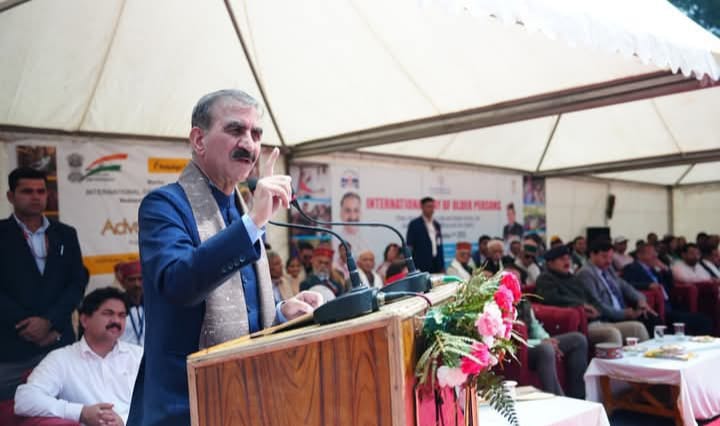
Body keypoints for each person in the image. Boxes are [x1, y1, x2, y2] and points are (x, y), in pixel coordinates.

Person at [128, 90, 322, 426]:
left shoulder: (243, 210)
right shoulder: (164, 206)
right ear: (198, 140)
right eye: (235, 130)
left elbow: (243, 305)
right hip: (184, 404)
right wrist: (254, 223)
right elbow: (179, 284)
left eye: (256, 134)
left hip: (249, 398)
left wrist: (279, 311)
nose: (249, 143)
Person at [1, 167, 87, 400]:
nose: (35, 197)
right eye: (27, 191)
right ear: (10, 196)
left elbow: (77, 282)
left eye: (40, 191)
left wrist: (49, 322)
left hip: (58, 341)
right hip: (11, 348)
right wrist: (27, 325)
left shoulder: (65, 234)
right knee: (13, 410)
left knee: (65, 410)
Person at [14, 288, 142, 425]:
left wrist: (124, 421)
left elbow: (156, 399)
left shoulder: (139, 356)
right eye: (108, 313)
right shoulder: (62, 359)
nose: (116, 320)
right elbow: (25, 400)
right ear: (85, 320)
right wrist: (81, 413)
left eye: (122, 315)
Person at [536, 245, 647, 345]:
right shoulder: (545, 279)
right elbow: (553, 299)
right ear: (550, 263)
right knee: (612, 333)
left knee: (638, 328)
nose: (567, 262)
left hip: (599, 320)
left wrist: (597, 310)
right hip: (581, 325)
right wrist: (581, 306)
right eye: (562, 259)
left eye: (568, 258)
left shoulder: (572, 278)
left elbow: (592, 298)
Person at [577, 240, 662, 338]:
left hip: (623, 312)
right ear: (592, 255)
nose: (608, 261)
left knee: (653, 319)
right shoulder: (586, 273)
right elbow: (597, 304)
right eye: (604, 257)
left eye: (610, 258)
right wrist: (623, 314)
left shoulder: (608, 269)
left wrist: (640, 300)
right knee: (643, 326)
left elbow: (626, 286)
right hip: (607, 318)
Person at [623, 244, 713, 336]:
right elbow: (627, 285)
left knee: (704, 319)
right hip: (656, 307)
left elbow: (670, 285)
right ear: (640, 255)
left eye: (655, 253)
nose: (655, 255)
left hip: (669, 304)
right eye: (651, 253)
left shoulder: (654, 269)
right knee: (701, 321)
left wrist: (665, 269)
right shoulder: (631, 268)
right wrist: (647, 285)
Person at [516, 298, 587, 399]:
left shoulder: (522, 300)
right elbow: (510, 338)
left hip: (536, 342)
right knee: (546, 349)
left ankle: (577, 398)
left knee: (578, 340)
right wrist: (540, 342)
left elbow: (535, 325)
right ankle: (557, 401)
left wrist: (546, 339)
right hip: (520, 349)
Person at [406, 197, 444, 273]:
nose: (431, 209)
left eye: (432, 207)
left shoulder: (436, 225)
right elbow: (410, 245)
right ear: (422, 207)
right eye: (429, 206)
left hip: (436, 263)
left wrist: (442, 265)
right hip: (421, 264)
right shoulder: (414, 224)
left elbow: (439, 245)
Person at [115, 260, 145, 346]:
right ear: (123, 282)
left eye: (140, 279)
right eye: (131, 280)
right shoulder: (116, 306)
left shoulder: (154, 305)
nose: (137, 284)